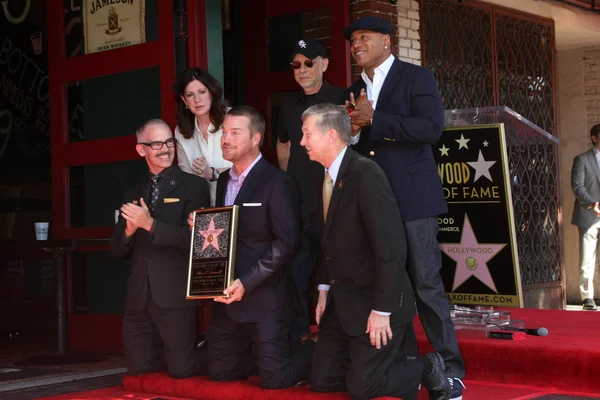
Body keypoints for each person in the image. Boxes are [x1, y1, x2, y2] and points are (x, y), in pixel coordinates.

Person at [343, 16, 466, 399]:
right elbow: (358, 147)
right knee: (386, 284)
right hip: (373, 204)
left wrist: (375, 120)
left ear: (386, 40)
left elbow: (432, 129)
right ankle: (406, 362)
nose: (356, 44)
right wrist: (354, 131)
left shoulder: (416, 77)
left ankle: (451, 367)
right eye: (352, 40)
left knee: (426, 284)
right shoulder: (352, 90)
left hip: (412, 199)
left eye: (364, 37)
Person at [301, 104, 450, 400]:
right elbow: (330, 242)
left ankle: (425, 366)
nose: (302, 142)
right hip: (342, 301)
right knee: (321, 380)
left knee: (362, 388)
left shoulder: (365, 173)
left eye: (307, 134)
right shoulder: (327, 176)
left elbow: (392, 247)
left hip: (375, 304)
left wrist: (382, 310)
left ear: (331, 135)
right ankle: (387, 362)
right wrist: (322, 287)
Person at [188, 106, 313, 388]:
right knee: (220, 375)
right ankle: (262, 353)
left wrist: (247, 281)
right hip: (227, 302)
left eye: (235, 132)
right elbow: (227, 233)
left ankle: (319, 353)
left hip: (266, 299)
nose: (225, 139)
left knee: (275, 379)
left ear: (256, 138)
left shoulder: (278, 182)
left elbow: (286, 242)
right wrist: (202, 226)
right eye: (223, 132)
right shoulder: (222, 181)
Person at [110, 119, 210, 378]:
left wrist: (150, 224)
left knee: (182, 369)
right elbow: (117, 250)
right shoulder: (132, 192)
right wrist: (130, 231)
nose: (166, 148)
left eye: (169, 142)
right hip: (138, 297)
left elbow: (198, 241)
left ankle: (224, 353)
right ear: (141, 149)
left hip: (174, 293)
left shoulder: (194, 186)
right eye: (156, 143)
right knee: (140, 371)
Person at [276, 38, 346, 341]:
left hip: (335, 202)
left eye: (308, 63)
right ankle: (299, 342)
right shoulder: (288, 104)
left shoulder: (342, 98)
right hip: (299, 203)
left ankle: (336, 342)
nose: (302, 70)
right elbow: (283, 144)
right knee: (295, 274)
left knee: (339, 272)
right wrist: (288, 180)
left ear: (324, 64)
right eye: (296, 64)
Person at [173, 68, 232, 206]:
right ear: (184, 100)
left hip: (240, 202)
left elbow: (250, 165)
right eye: (190, 95)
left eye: (202, 92)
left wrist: (214, 173)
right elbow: (186, 178)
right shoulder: (181, 131)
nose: (197, 100)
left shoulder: (233, 118)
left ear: (211, 93)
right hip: (205, 208)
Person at [571, 123, 600, 311]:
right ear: (594, 138)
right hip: (590, 214)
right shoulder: (581, 159)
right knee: (587, 260)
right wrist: (592, 203)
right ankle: (587, 297)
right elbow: (577, 186)